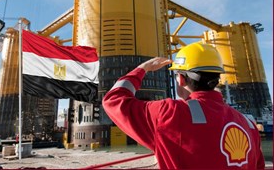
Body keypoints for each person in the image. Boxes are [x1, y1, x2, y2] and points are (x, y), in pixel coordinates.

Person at [102, 42, 265, 169]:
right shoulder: (248, 124)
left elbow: (113, 100)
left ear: (180, 79)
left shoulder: (171, 113)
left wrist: (141, 69)